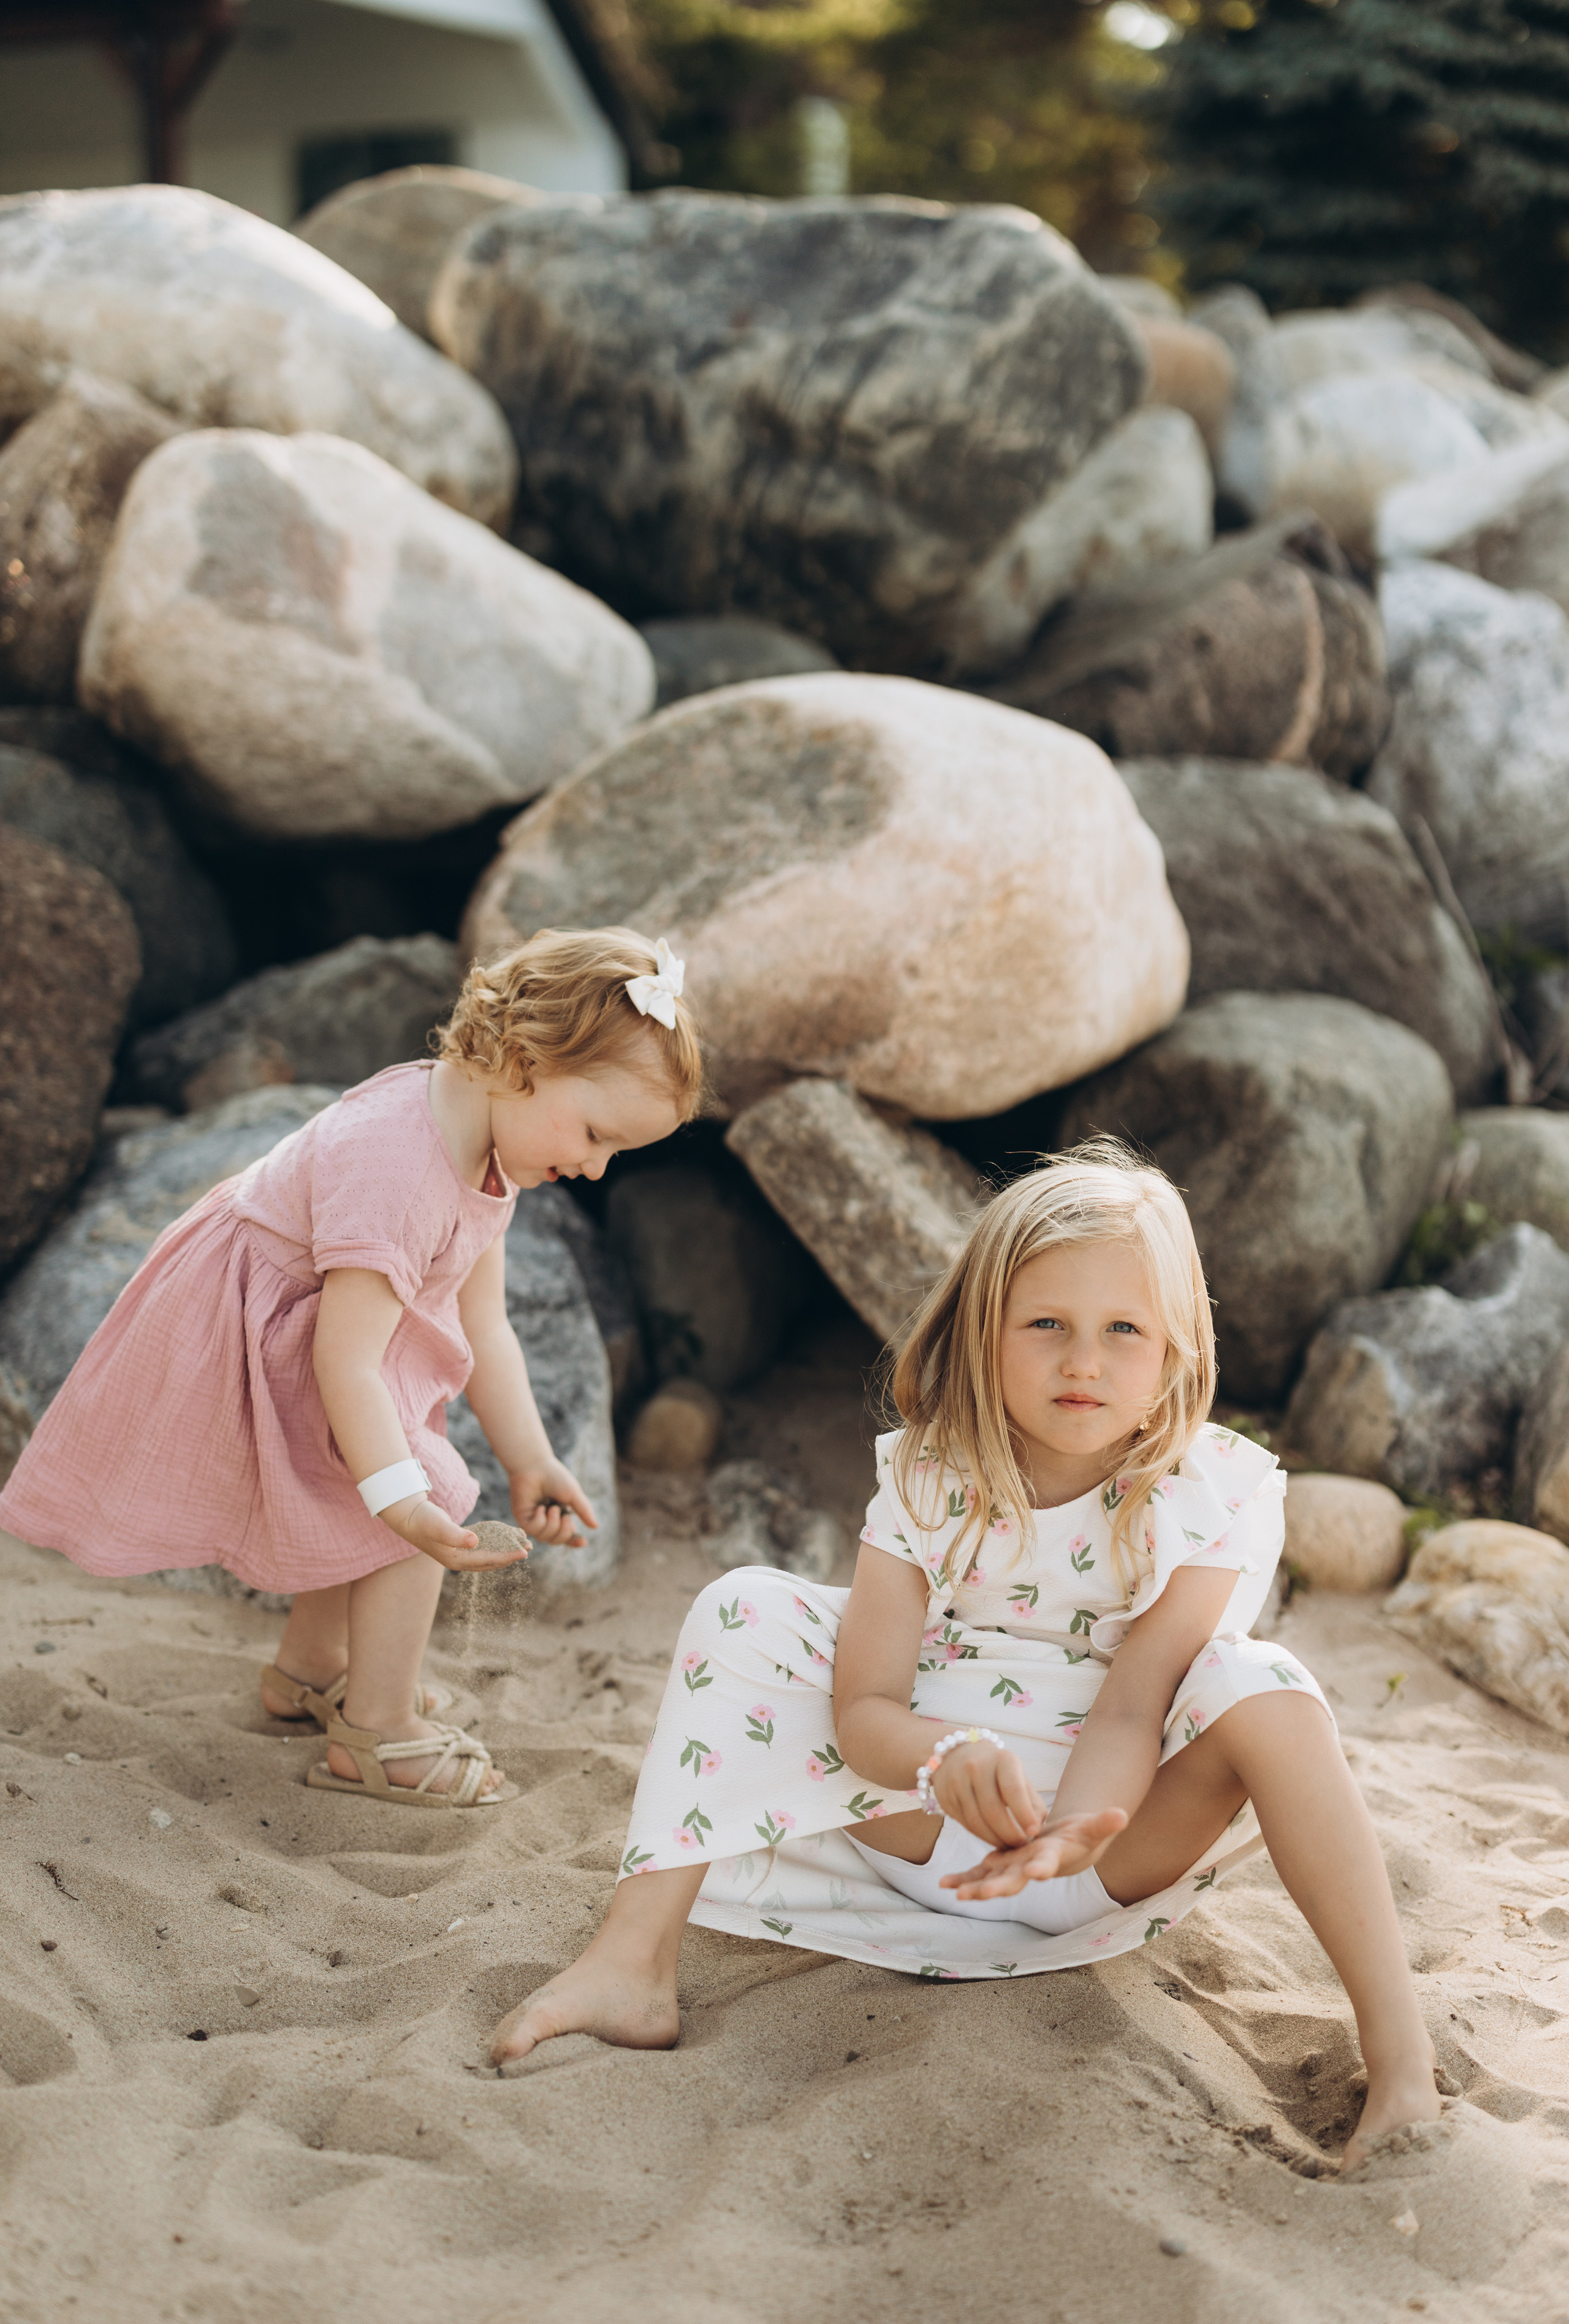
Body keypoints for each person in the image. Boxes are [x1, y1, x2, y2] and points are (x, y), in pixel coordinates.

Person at [490, 1140, 1440, 2168]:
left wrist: (1069, 1837)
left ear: (1175, 1349)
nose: (1085, 1360)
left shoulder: (1218, 1495)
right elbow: (864, 1710)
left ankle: (1402, 2064)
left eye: (1125, 1329)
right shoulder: (931, 1476)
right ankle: (633, 1963)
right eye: (1047, 1325)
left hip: (1105, 1847)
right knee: (746, 1605)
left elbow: (1134, 1702)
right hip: (922, 1832)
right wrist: (943, 1760)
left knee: (1264, 1681)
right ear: (985, 1335)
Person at [0, 927, 701, 1808]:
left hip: (336, 1337)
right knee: (421, 1499)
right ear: (522, 1059)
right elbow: (346, 1363)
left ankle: (313, 1669)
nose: (597, 1168)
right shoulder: (397, 1164)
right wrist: (400, 1498)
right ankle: (379, 1736)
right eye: (597, 1134)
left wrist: (531, 1458)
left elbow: (484, 1322)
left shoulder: (490, 1138)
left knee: (367, 1495)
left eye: (617, 1153)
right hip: (267, 1332)